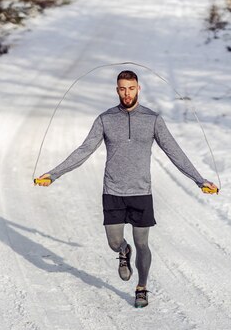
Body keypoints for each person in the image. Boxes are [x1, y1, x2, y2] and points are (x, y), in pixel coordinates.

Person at [35, 70, 218, 308]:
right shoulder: (105, 119)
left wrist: (199, 179)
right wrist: (54, 174)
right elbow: (84, 150)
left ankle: (141, 288)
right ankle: (123, 251)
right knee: (113, 241)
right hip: (113, 191)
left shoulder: (153, 120)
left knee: (143, 243)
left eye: (131, 88)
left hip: (141, 193)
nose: (126, 93)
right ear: (117, 90)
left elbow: (175, 152)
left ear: (138, 88)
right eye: (122, 88)